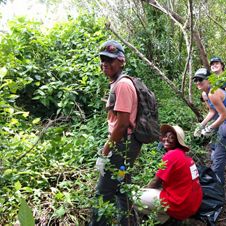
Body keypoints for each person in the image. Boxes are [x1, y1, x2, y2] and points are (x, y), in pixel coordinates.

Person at [90, 40, 142, 226]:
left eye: (110, 60)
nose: (105, 63)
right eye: (103, 59)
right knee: (122, 190)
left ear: (121, 61)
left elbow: (121, 125)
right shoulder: (118, 84)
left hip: (122, 145)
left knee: (102, 194)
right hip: (125, 144)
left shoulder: (122, 85)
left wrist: (105, 152)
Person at [136, 124, 203, 224]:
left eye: (171, 137)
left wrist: (144, 189)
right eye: (165, 136)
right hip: (192, 205)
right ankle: (165, 219)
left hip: (180, 205)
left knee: (135, 197)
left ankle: (165, 217)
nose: (166, 139)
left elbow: (155, 182)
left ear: (178, 142)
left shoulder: (172, 155)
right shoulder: (186, 157)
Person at [193, 68, 226, 184]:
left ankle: (217, 187)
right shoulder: (205, 93)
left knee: (218, 154)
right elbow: (212, 112)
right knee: (217, 146)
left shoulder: (213, 93)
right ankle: (221, 168)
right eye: (195, 80)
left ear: (209, 80)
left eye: (200, 79)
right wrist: (201, 125)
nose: (197, 82)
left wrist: (210, 128)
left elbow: (224, 115)